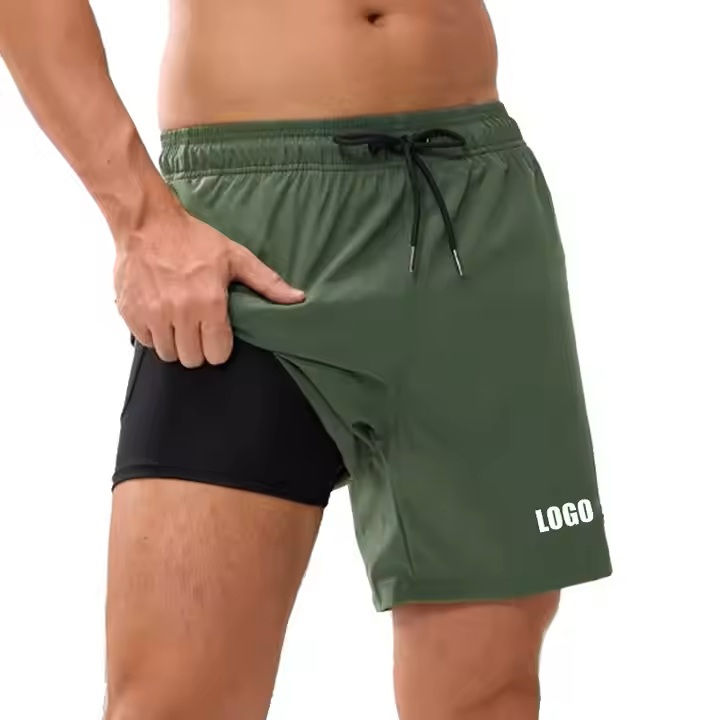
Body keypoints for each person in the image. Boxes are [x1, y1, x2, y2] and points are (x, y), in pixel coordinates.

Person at [0, 1, 612, 718]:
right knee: (173, 702)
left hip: (470, 211)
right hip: (250, 235)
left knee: (487, 697)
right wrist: (140, 222)